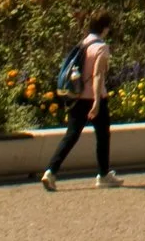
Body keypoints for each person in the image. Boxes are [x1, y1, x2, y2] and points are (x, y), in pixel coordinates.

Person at [41, 10, 120, 191]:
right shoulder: (101, 47)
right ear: (105, 28)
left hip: (77, 97)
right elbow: (98, 76)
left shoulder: (83, 44)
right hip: (94, 97)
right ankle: (103, 174)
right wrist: (97, 102)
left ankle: (51, 171)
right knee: (102, 135)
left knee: (71, 135)